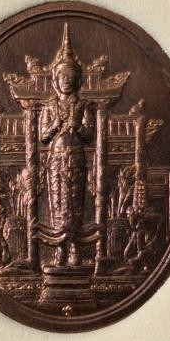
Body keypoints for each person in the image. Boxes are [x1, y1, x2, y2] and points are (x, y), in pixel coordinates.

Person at [40, 24, 94, 267]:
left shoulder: (83, 106)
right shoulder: (49, 106)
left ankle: (75, 250)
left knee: (75, 202)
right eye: (63, 77)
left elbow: (89, 135)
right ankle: (58, 250)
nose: (67, 81)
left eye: (71, 77)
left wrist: (77, 127)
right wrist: (56, 124)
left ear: (77, 80)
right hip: (56, 159)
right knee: (57, 202)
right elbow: (43, 137)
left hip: (76, 158)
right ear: (56, 80)